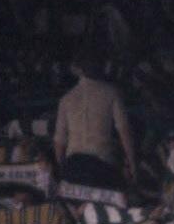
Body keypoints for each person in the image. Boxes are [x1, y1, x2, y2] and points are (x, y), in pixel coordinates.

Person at [54, 52, 139, 189]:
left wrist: (63, 171)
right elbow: (124, 132)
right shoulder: (112, 92)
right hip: (102, 164)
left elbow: (59, 141)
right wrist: (133, 165)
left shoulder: (66, 99)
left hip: (73, 165)